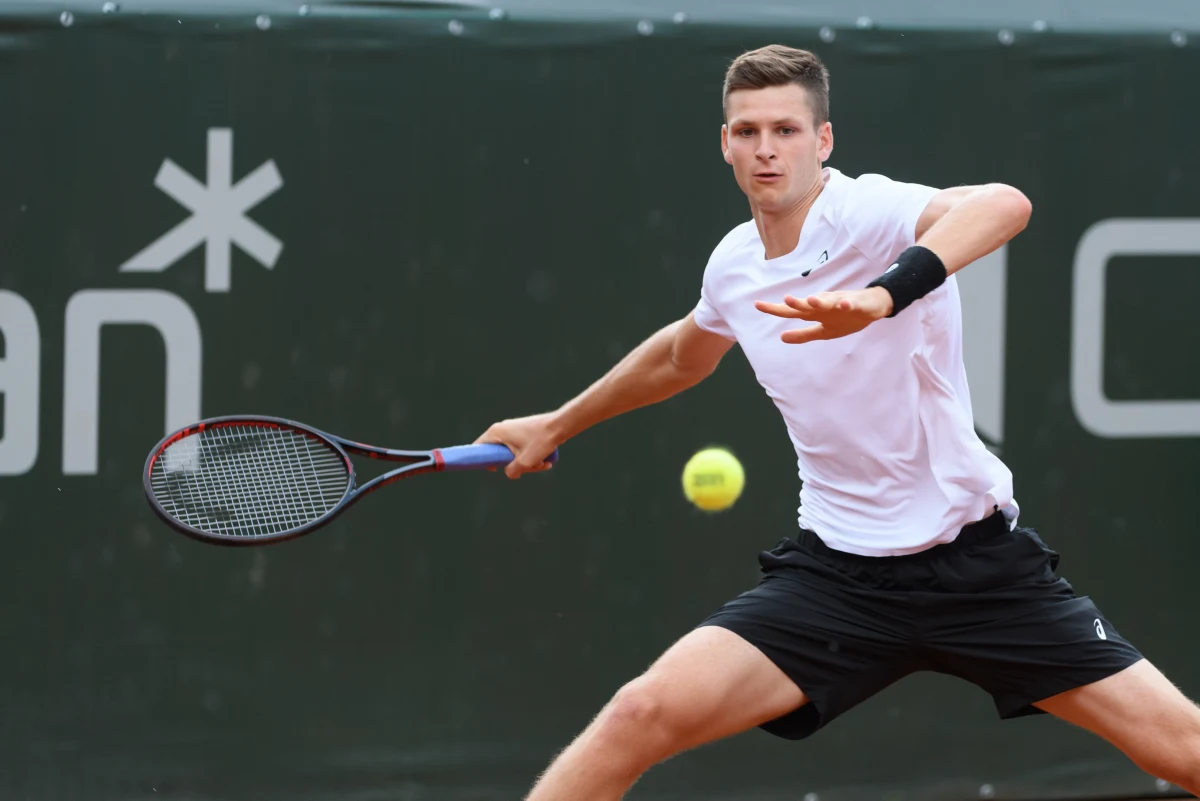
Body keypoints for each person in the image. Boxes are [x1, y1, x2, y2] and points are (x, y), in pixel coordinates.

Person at [474, 44, 1200, 800]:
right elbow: (682, 356)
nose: (765, 149)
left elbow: (1004, 204)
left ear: (823, 141)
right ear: (724, 142)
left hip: (980, 571)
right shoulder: (732, 266)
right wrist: (557, 422)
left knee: (1186, 752)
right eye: (747, 130)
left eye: (786, 130)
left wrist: (884, 295)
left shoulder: (870, 211)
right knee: (638, 712)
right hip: (837, 579)